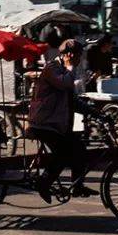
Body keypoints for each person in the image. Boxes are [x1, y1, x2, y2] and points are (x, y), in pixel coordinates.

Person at [27, 39, 94, 204]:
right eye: (78, 56)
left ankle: (77, 186)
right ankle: (44, 183)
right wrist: (70, 66)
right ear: (68, 56)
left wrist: (96, 113)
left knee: (80, 149)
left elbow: (73, 101)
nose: (80, 60)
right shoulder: (52, 68)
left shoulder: (66, 70)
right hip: (43, 123)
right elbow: (64, 84)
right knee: (63, 153)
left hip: (57, 123)